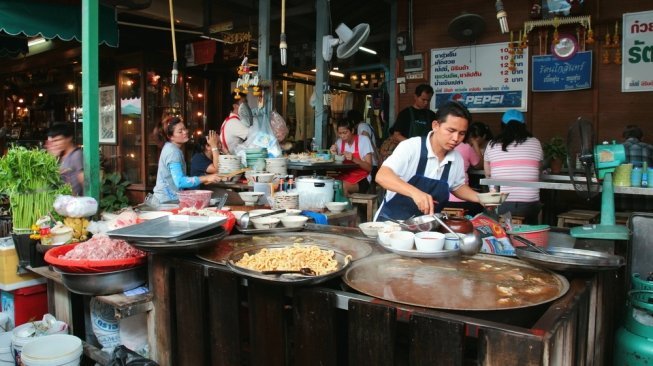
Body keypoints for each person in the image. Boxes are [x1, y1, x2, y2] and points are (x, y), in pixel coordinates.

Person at [374, 101, 481, 221]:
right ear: (435, 125)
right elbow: (382, 176)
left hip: (425, 229)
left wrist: (481, 198)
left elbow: (457, 186)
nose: (456, 139)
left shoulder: (456, 158)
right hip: (391, 225)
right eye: (451, 131)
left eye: (461, 133)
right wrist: (415, 193)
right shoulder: (411, 147)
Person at [484, 109, 543, 225]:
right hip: (529, 205)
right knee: (530, 221)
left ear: (502, 125)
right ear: (523, 125)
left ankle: (501, 237)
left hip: (502, 205)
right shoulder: (535, 142)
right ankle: (530, 234)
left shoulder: (492, 144)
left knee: (492, 215)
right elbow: (538, 171)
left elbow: (488, 175)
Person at [152, 116, 221, 204]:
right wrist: (207, 177)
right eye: (180, 131)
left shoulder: (171, 148)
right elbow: (180, 182)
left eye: (184, 129)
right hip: (165, 202)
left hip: (168, 199)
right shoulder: (173, 152)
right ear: (170, 136)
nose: (185, 132)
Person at [444, 122, 493, 216]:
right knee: (481, 208)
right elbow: (479, 165)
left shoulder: (441, 147)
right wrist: (475, 145)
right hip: (463, 200)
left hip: (442, 200)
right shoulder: (466, 148)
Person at [329, 119, 374, 196]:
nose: (342, 136)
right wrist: (334, 155)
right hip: (345, 175)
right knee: (328, 183)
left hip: (363, 178)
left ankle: (349, 206)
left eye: (345, 133)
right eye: (340, 133)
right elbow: (337, 167)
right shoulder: (339, 142)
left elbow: (369, 168)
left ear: (352, 130)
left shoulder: (363, 140)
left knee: (340, 186)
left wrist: (354, 159)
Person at [46, 123, 84, 196]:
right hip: (61, 200)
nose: (55, 144)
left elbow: (83, 180)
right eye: (52, 141)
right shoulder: (59, 155)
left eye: (58, 140)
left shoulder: (76, 155)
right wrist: (53, 158)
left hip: (74, 202)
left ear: (69, 138)